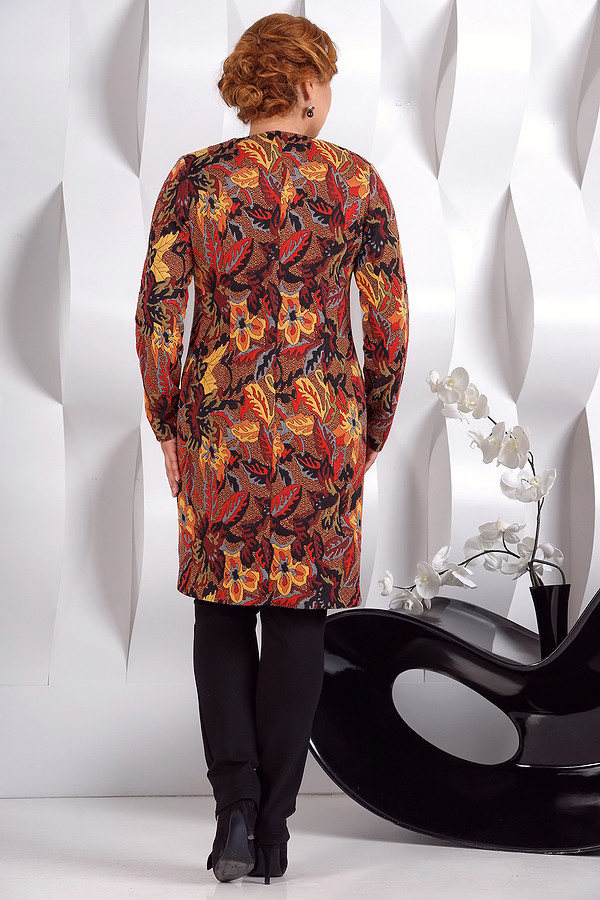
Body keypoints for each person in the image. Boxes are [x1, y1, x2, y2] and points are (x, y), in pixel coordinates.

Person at [134, 12, 409, 885]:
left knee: (221, 611)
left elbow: (157, 313)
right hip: (323, 427)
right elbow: (389, 321)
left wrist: (168, 422)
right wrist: (372, 423)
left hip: (220, 426)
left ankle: (235, 812)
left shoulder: (195, 179)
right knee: (297, 616)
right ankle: (276, 832)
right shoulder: (356, 181)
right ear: (306, 85)